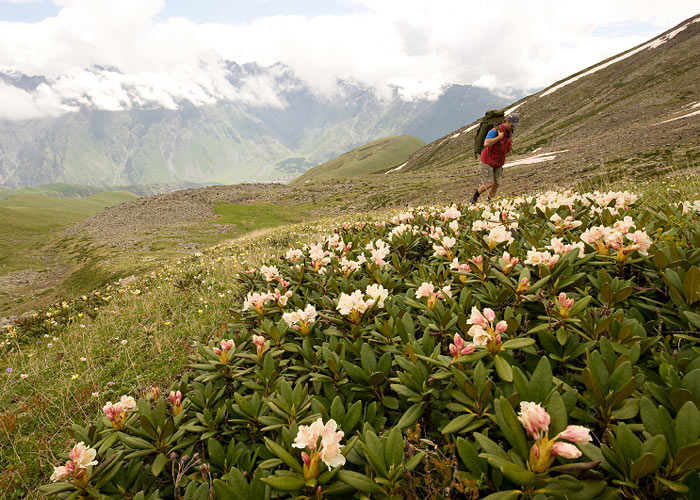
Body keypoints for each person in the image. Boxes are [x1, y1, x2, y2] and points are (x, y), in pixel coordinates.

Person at [470, 113, 520, 203]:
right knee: (489, 183)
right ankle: (474, 197)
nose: (513, 127)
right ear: (507, 122)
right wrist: (498, 137)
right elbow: (486, 143)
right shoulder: (495, 131)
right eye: (512, 125)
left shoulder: (509, 132)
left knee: (496, 184)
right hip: (487, 161)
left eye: (514, 126)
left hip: (498, 161)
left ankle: (489, 201)